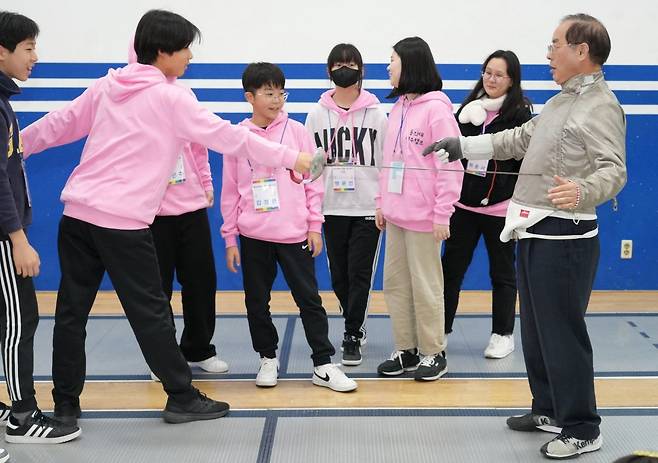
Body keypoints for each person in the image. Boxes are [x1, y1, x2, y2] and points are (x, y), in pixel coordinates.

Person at [19, 10, 315, 427]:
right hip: (121, 223)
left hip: (78, 217)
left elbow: (57, 125)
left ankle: (66, 403)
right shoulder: (171, 97)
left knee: (71, 312)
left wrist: (14, 146)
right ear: (162, 52)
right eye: (185, 48)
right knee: (152, 312)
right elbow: (231, 138)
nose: (190, 56)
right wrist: (293, 157)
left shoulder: (109, 86)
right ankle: (180, 395)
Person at [424, 14, 626, 459]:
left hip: (567, 236)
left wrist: (583, 190)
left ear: (581, 51)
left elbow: (614, 170)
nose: (548, 53)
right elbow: (516, 139)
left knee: (563, 333)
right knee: (535, 331)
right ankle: (549, 409)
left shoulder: (602, 105)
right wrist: (463, 145)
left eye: (555, 44)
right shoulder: (558, 104)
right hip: (532, 227)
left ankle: (583, 426)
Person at [221, 62, 357, 392]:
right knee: (256, 301)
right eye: (268, 93)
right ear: (249, 97)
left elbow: (312, 180)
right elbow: (230, 189)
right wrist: (230, 237)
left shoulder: (296, 131)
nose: (276, 100)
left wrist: (314, 225)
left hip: (294, 233)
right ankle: (267, 358)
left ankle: (323, 364)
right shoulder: (238, 138)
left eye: (281, 92)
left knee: (309, 299)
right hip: (254, 236)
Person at [0, 10, 80, 447]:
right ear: (2, 51)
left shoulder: (3, 102)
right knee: (19, 322)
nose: (35, 57)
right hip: (3, 239)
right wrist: (18, 239)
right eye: (28, 48)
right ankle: (22, 415)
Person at [375, 37, 463, 381]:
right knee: (396, 285)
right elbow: (388, 163)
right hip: (396, 215)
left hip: (426, 218)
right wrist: (382, 203)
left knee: (425, 285)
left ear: (410, 65)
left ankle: (433, 351)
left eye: (392, 60)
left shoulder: (437, 110)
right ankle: (407, 349)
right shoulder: (398, 107)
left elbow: (451, 165)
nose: (388, 67)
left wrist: (443, 213)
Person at [442, 50, 532, 359]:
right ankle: (440, 329)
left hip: (500, 209)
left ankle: (502, 334)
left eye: (499, 75)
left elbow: (523, 161)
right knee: (450, 271)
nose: (491, 79)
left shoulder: (520, 115)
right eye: (487, 72)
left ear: (512, 80)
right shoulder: (467, 111)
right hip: (463, 209)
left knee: (503, 274)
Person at [305, 43, 387, 366]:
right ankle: (352, 313)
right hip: (331, 207)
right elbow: (311, 167)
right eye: (338, 64)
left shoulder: (378, 115)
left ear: (361, 71)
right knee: (339, 276)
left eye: (350, 64)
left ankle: (353, 332)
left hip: (367, 207)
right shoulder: (316, 115)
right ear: (329, 72)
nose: (344, 68)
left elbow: (386, 162)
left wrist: (382, 202)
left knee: (359, 274)